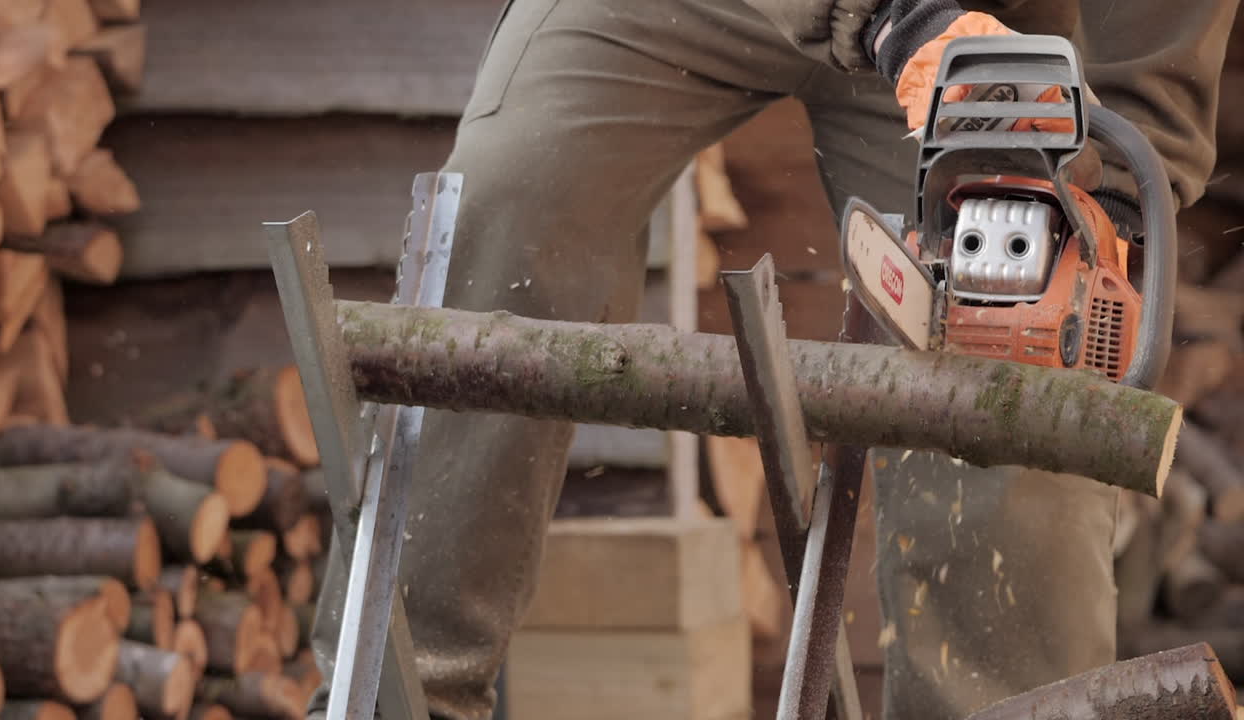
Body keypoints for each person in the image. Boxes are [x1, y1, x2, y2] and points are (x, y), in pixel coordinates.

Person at [307, 1, 1240, 718]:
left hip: (988, 34)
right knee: (514, 194)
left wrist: (1118, 187)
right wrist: (888, 15)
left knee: (1021, 340)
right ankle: (397, 687)